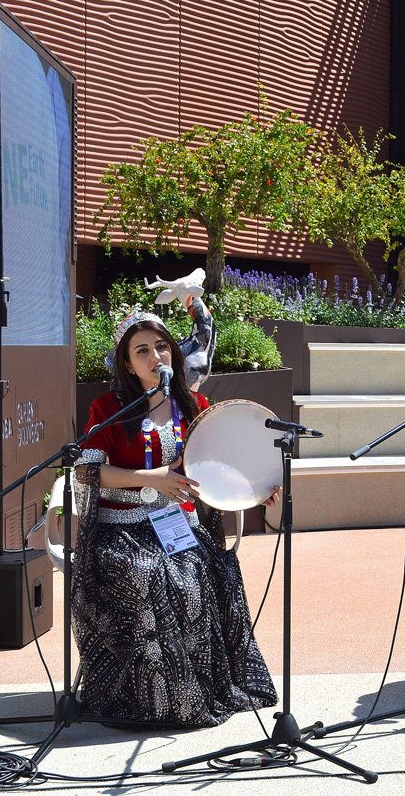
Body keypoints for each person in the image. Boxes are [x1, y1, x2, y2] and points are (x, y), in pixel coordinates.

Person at [73, 311, 279, 727]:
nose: (155, 356)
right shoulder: (109, 408)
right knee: (143, 573)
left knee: (205, 571)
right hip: (120, 528)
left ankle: (196, 687)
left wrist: (256, 489)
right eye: (142, 350)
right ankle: (150, 696)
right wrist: (151, 478)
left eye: (161, 347)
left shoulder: (194, 405)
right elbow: (87, 470)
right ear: (126, 363)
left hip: (175, 525)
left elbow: (220, 464)